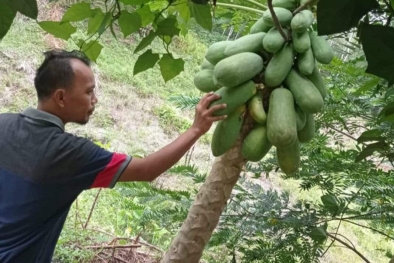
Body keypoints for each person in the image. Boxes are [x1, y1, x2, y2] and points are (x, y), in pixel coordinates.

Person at [0, 49, 227, 263]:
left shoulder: (3, 122)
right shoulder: (70, 154)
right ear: (61, 98)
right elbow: (147, 170)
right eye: (89, 91)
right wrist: (196, 129)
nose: (95, 100)